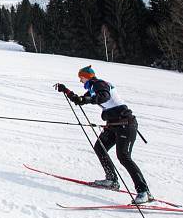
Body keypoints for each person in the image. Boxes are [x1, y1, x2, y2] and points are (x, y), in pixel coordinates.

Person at [54, 65, 153, 204]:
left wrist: (88, 100)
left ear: (86, 77)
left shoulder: (99, 84)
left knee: (124, 157)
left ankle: (144, 192)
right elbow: (80, 100)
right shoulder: (93, 88)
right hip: (113, 125)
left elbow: (104, 97)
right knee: (100, 148)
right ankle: (112, 179)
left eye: (80, 78)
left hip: (126, 125)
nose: (80, 81)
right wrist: (66, 90)